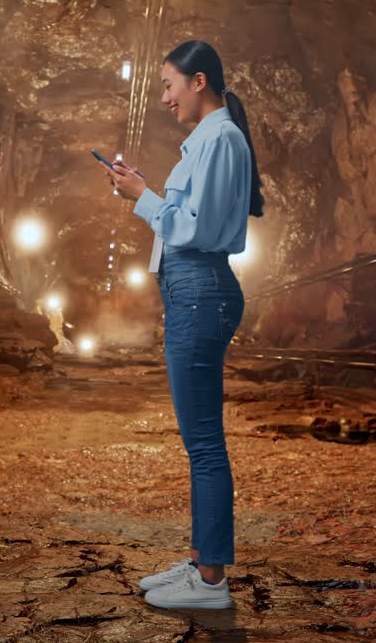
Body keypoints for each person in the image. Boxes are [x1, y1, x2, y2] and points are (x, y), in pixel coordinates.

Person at [107, 39, 265, 610]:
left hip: (201, 291)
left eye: (169, 85)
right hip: (191, 291)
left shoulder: (221, 139)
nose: (165, 98)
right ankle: (203, 563)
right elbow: (189, 218)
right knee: (199, 443)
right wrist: (148, 190)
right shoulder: (206, 142)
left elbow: (195, 231)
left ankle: (213, 583)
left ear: (199, 82)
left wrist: (142, 196)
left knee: (204, 445)